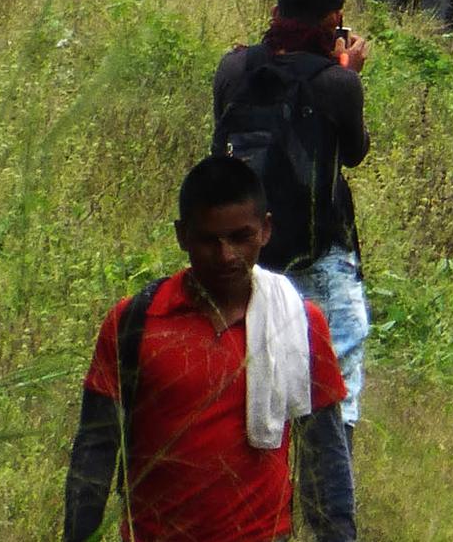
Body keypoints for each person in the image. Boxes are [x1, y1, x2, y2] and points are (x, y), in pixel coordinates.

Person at [62, 155, 354, 542]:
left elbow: (326, 459)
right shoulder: (133, 323)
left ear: (265, 230)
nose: (226, 255)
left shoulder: (298, 324)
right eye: (209, 240)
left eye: (240, 237)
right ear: (182, 235)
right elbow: (94, 453)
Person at [211, 0, 372, 433]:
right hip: (318, 249)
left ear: (276, 9)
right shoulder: (337, 83)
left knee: (255, 377)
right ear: (331, 21)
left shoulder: (233, 66)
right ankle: (329, 499)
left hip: (246, 250)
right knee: (336, 384)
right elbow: (355, 152)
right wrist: (351, 74)